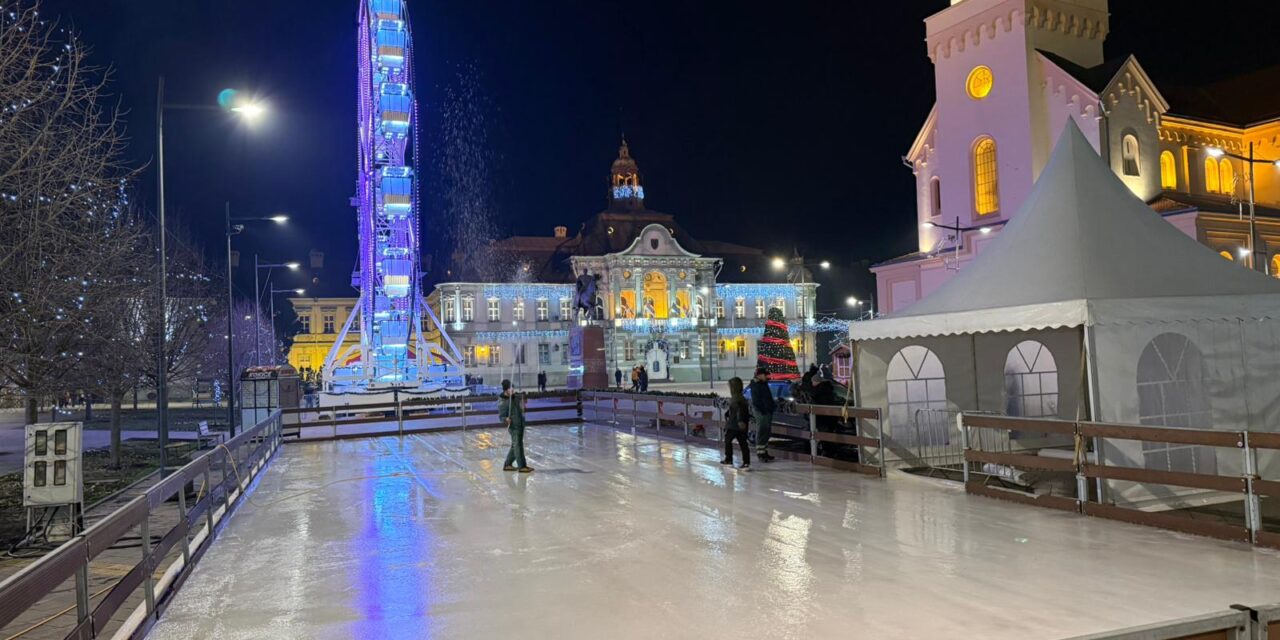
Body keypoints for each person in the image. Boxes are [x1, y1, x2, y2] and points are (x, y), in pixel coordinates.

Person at [499, 379, 533, 472]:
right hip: (513, 426)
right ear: (505, 390)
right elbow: (501, 416)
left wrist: (523, 401)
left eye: (513, 388)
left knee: (515, 445)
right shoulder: (503, 402)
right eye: (510, 388)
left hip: (520, 424)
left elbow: (521, 401)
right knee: (518, 445)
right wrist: (506, 419)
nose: (512, 390)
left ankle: (508, 464)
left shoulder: (514, 397)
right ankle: (522, 466)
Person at [720, 377, 751, 470]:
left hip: (735, 424)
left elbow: (739, 411)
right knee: (743, 443)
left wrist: (740, 420)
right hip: (738, 424)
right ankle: (746, 462)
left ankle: (729, 459)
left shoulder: (737, 399)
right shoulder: (740, 397)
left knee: (728, 440)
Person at [748, 368, 776, 462]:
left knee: (767, 431)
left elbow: (768, 397)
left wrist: (772, 406)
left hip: (767, 411)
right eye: (765, 375)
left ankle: (764, 451)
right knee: (762, 431)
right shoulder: (755, 385)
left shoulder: (763, 383)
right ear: (759, 375)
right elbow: (757, 400)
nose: (767, 377)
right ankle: (760, 453)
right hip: (761, 411)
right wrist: (763, 410)